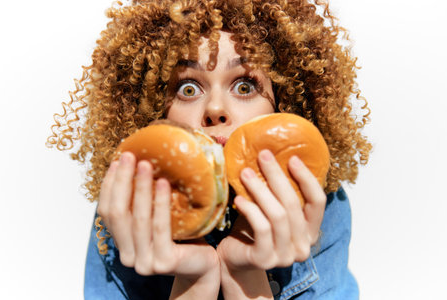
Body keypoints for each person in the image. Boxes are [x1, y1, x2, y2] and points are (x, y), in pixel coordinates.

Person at [47, 0, 371, 299]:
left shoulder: (319, 204)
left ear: (282, 105)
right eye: (188, 88)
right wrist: (195, 280)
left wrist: (244, 272)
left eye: (245, 86)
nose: (216, 108)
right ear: (157, 114)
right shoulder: (127, 208)